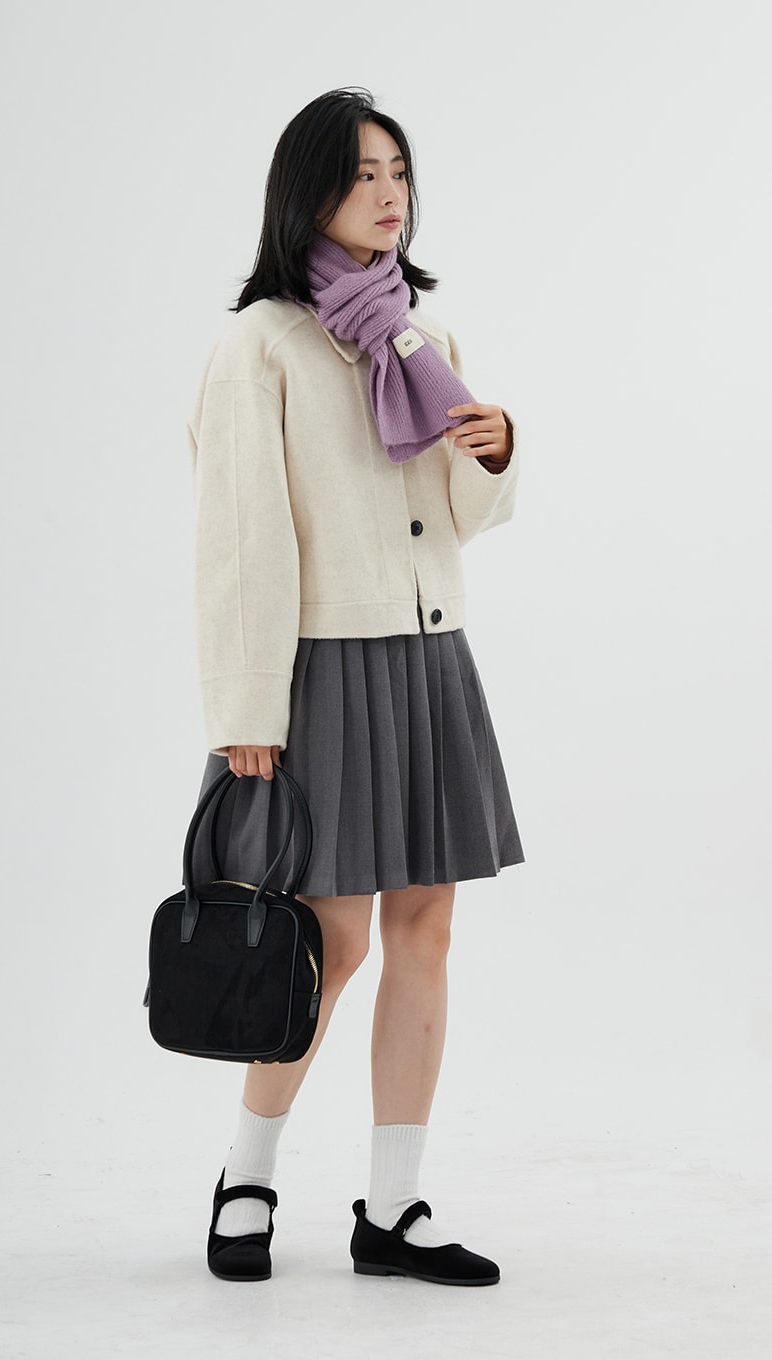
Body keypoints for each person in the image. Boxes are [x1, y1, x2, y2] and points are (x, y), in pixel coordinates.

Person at [187, 87, 524, 1286]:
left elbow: (451, 516)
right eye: (362, 174)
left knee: (426, 928)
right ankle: (246, 1175)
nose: (389, 194)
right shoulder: (263, 345)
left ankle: (392, 1207)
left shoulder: (420, 338)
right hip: (323, 668)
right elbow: (240, 538)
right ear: (308, 192)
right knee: (323, 945)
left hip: (428, 654)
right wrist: (246, 710)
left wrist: (494, 451)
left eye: (399, 172)